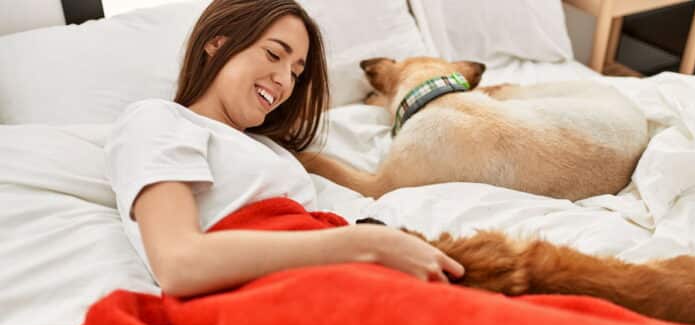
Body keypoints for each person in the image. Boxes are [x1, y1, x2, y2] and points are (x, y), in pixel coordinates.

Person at [105, 0, 464, 297]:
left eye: (296, 72)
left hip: (332, 281)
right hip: (274, 296)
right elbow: (179, 263)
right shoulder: (159, 120)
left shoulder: (271, 150)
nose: (283, 81)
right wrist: (364, 244)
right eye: (274, 54)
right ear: (216, 43)